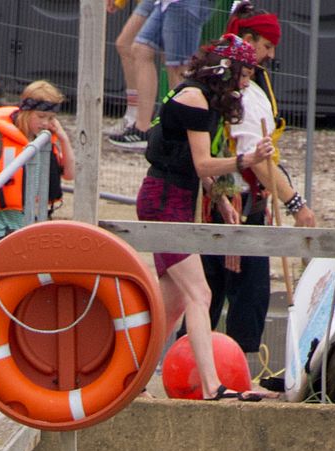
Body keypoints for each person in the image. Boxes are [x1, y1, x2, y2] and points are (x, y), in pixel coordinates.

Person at [137, 37, 273, 402]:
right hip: (164, 200)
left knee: (175, 303)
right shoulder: (194, 98)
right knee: (201, 293)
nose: (246, 83)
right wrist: (247, 160)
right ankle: (212, 385)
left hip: (178, 199)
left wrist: (222, 200)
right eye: (244, 75)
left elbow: (198, 168)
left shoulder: (204, 97)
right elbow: (201, 163)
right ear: (226, 70)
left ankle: (132, 377)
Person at [202, 5, 318, 365]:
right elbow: (260, 161)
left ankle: (220, 367)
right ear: (247, 41)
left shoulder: (246, 87)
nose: (271, 54)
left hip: (243, 201)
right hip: (232, 204)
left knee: (225, 293)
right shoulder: (238, 94)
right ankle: (227, 370)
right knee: (235, 293)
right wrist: (296, 205)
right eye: (266, 45)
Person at [0, 81, 73, 246]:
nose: (45, 123)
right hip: (1, 225)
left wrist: (64, 138)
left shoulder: (46, 141)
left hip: (33, 222)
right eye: (41, 116)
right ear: (26, 112)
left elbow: (70, 174)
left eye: (51, 118)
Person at [108, 0, 211, 152]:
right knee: (141, 49)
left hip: (183, 4)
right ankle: (142, 128)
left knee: (177, 69)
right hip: (165, 3)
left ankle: (179, 136)